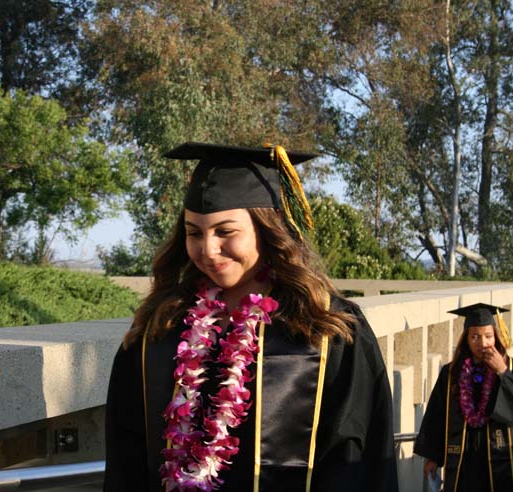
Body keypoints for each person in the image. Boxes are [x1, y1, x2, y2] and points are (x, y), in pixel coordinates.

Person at [103, 142, 398, 491]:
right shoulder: (162, 326)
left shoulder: (325, 327)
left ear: (267, 229)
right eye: (194, 232)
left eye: (226, 232)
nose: (208, 250)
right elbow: (126, 458)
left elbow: (359, 460)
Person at [414, 303, 513, 492]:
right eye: (474, 336)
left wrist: (502, 372)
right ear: (465, 338)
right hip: (463, 458)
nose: (482, 343)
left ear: (496, 337)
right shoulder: (451, 373)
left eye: (488, 336)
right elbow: (437, 414)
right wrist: (432, 456)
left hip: (499, 455)